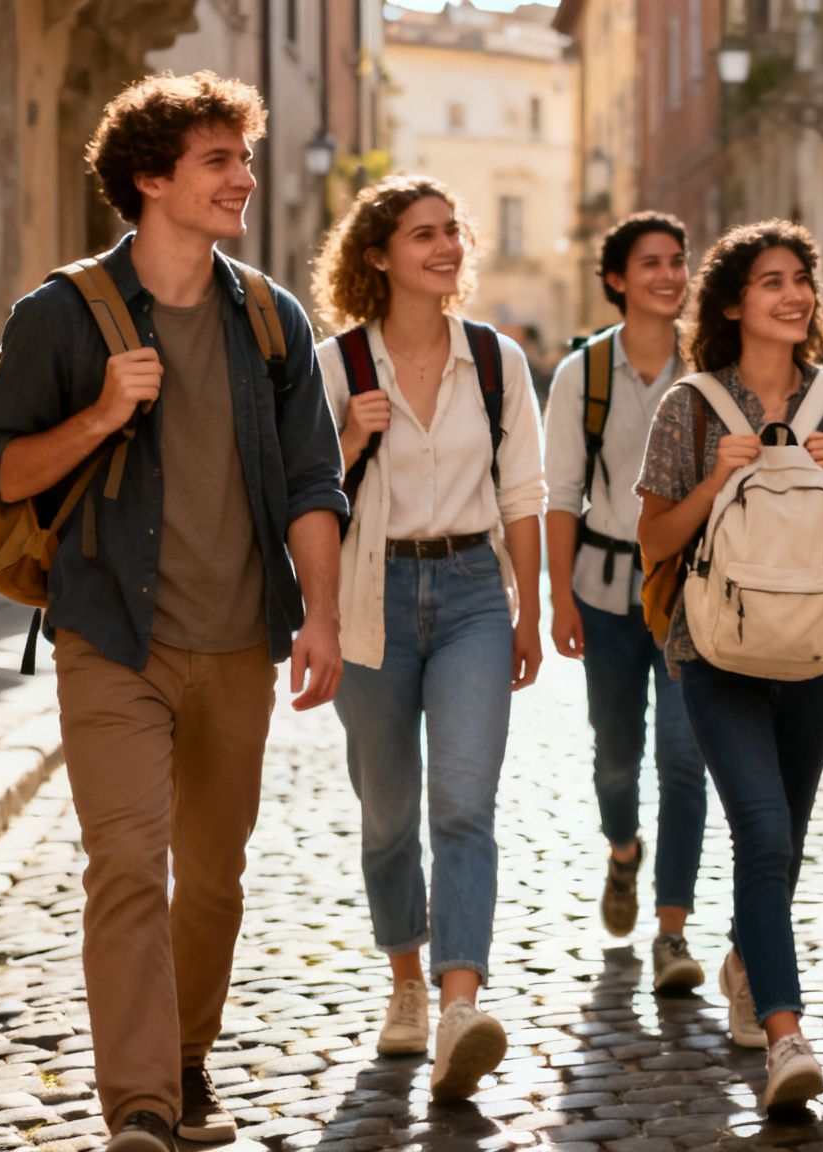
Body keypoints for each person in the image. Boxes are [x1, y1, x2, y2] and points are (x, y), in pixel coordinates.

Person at [0, 72, 346, 1152]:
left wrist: (319, 617)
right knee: (127, 864)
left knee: (213, 877)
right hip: (110, 636)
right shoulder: (61, 314)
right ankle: (137, 1103)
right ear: (151, 177)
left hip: (238, 640)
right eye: (219, 160)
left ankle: (184, 1058)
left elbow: (316, 481)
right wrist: (98, 414)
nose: (244, 178)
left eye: (242, 156)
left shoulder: (270, 318)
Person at [635, 219, 823, 1116]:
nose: (793, 296)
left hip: (817, 650)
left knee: (780, 834)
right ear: (735, 301)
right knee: (763, 831)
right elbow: (653, 541)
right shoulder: (691, 406)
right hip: (715, 651)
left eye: (802, 282)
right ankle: (787, 1038)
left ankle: (750, 957)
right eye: (772, 281)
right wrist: (712, 481)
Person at [313, 175, 547, 1101]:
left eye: (453, 232)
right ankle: (404, 983)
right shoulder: (337, 367)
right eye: (423, 235)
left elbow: (523, 490)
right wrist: (347, 441)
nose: (447, 247)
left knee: (463, 801)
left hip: (470, 597)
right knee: (387, 811)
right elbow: (304, 498)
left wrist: (530, 604)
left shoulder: (496, 361)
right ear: (378, 256)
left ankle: (459, 1003)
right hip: (372, 594)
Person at [544, 212, 710, 992]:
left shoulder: (709, 365)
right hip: (606, 594)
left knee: (684, 760)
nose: (670, 276)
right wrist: (557, 601)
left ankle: (672, 931)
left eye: (678, 262)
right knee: (617, 760)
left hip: (692, 595)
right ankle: (622, 851)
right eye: (651, 263)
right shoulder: (585, 372)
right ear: (616, 279)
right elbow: (559, 496)